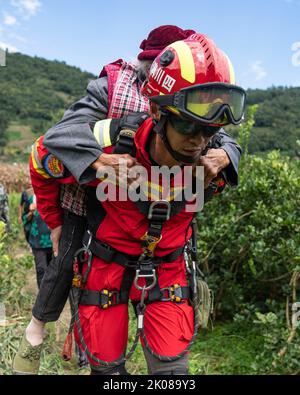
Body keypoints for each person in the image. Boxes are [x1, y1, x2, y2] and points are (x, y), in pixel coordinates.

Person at [25, 34, 245, 375]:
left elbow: (223, 141)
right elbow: (46, 153)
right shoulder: (111, 140)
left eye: (210, 131)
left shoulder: (211, 159)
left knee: (172, 372)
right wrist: (94, 168)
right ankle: (34, 334)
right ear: (156, 110)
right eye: (188, 126)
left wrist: (226, 154)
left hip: (169, 269)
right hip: (105, 265)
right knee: (106, 368)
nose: (198, 142)